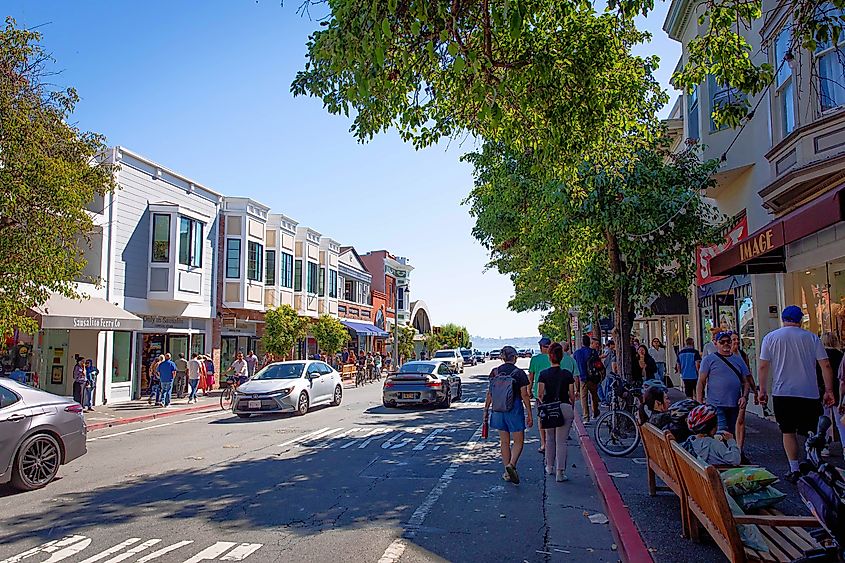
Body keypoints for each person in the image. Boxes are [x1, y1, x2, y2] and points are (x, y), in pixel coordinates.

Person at [757, 305, 836, 482]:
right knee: (811, 429)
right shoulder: (811, 338)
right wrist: (829, 390)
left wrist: (762, 389)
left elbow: (763, 366)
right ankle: (811, 462)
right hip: (809, 391)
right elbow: (825, 365)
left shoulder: (770, 338)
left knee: (788, 431)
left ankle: (794, 468)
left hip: (783, 392)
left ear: (783, 319)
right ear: (800, 320)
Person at [484, 346, 532, 484]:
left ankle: (506, 472)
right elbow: (524, 395)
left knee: (504, 442)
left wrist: (486, 409)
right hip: (514, 409)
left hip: (498, 409)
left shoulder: (495, 372)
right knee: (518, 441)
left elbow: (490, 393)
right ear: (515, 357)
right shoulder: (519, 373)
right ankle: (511, 465)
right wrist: (529, 413)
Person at [696, 331, 750, 435]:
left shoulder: (738, 360)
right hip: (716, 405)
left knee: (733, 433)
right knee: (721, 433)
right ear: (716, 344)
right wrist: (700, 403)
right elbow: (701, 382)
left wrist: (744, 397)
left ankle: (733, 451)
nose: (726, 344)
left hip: (735, 404)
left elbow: (746, 382)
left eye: (728, 341)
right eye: (722, 342)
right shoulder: (709, 360)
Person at [537, 342, 576, 482]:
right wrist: (571, 403)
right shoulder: (567, 374)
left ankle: (549, 466)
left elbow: (540, 394)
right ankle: (560, 472)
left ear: (549, 357)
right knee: (562, 441)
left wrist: (544, 403)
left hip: (549, 408)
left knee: (550, 439)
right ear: (561, 357)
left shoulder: (543, 374)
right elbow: (572, 395)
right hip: (564, 406)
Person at [731, 333, 758, 451]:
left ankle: (739, 449)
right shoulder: (724, 355)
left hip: (742, 391)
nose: (736, 341)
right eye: (733, 340)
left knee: (740, 419)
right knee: (731, 420)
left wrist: (755, 391)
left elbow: (748, 375)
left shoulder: (742, 354)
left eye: (737, 339)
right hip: (729, 392)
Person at [819, 333, 844, 457]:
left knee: (823, 420)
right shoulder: (841, 355)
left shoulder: (820, 357)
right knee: (841, 422)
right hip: (838, 392)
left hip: (823, 392)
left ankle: (823, 446)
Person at [528, 337, 553, 453]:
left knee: (541, 418)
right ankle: (552, 442)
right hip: (553, 391)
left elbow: (531, 377)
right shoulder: (554, 358)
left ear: (541, 347)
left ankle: (543, 443)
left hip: (540, 393)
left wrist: (529, 390)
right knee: (553, 416)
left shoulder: (535, 359)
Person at [573, 336, 601, 423]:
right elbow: (598, 364)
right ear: (589, 343)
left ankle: (586, 417)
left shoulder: (577, 353)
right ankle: (595, 412)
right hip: (592, 377)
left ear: (582, 343)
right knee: (594, 396)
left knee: (584, 398)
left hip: (582, 378)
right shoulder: (593, 352)